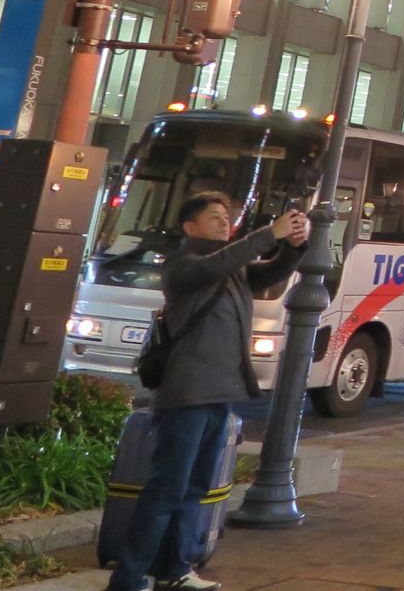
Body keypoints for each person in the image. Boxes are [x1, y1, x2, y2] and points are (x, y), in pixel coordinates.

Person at [105, 193, 308, 591]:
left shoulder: (234, 267)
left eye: (227, 217)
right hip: (187, 395)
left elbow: (272, 271)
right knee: (166, 489)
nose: (224, 222)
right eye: (214, 217)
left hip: (218, 396)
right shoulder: (183, 265)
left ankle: (174, 570)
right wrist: (271, 233)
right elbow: (217, 264)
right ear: (190, 227)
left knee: (195, 489)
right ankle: (127, 579)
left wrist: (293, 246)